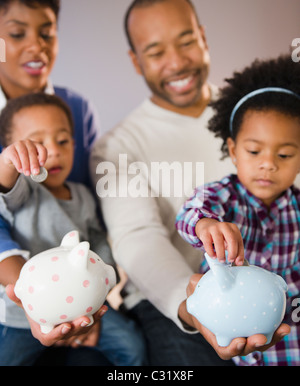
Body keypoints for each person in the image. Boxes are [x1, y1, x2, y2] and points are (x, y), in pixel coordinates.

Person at [90, 0, 288, 365]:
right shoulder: (116, 147)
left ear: (204, 38)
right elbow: (136, 238)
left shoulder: (258, 116)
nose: (177, 62)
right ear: (136, 61)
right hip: (174, 299)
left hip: (270, 286)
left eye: (186, 41)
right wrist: (190, 303)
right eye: (156, 51)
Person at [0, 0, 114, 357]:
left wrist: (90, 290)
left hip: (77, 285)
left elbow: (87, 199)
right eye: (18, 33)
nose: (37, 46)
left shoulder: (77, 108)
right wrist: (32, 292)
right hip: (16, 287)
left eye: (47, 32)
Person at [0, 93, 147, 366]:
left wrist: (106, 271)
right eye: (37, 143)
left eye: (63, 141)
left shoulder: (82, 195)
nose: (54, 150)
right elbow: (4, 189)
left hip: (81, 304)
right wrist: (9, 162)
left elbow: (96, 239)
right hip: (20, 316)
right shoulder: (24, 190)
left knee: (132, 345)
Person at [176, 55, 299, 366]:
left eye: (284, 154)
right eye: (254, 151)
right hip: (231, 323)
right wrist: (205, 224)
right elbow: (192, 211)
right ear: (232, 150)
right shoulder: (223, 196)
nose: (268, 163)